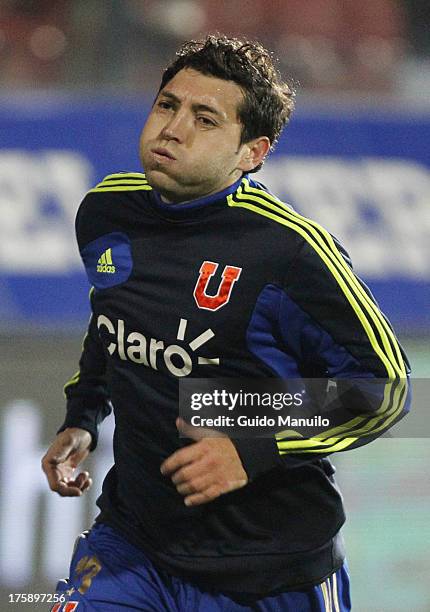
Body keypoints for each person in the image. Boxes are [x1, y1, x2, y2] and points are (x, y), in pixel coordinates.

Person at [42, 35, 410, 611]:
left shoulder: (288, 251)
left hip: (268, 571)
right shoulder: (106, 210)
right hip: (132, 546)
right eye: (167, 105)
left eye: (205, 119)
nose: (173, 128)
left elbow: (383, 388)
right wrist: (84, 414)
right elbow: (111, 318)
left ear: (251, 153)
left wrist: (249, 448)